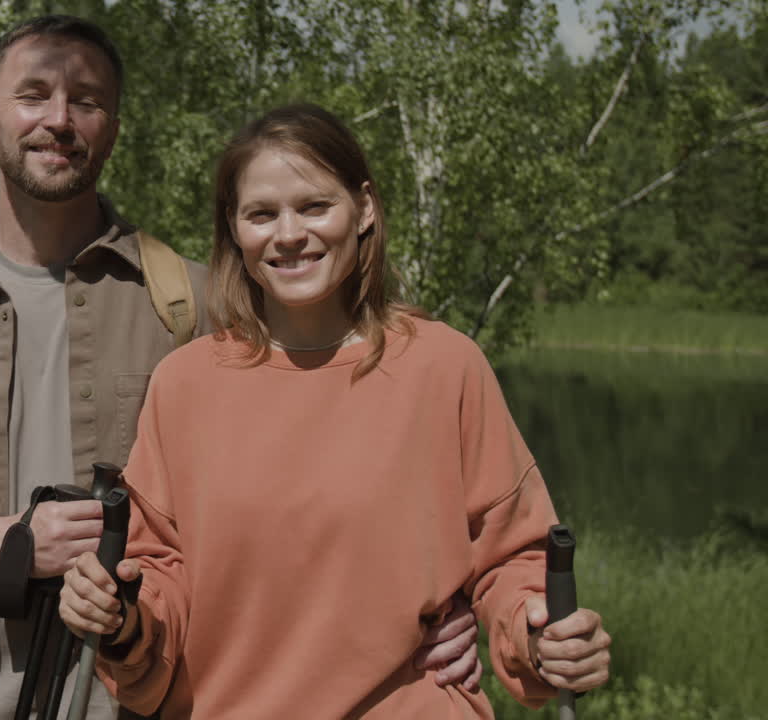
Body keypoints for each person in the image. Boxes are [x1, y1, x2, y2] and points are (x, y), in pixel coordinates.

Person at [0, 16, 482, 720]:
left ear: (113, 130)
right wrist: (7, 541)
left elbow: (341, 481)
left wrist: (449, 599)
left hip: (145, 699)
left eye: (86, 100)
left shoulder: (200, 305)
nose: (59, 119)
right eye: (33, 95)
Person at [58, 103, 613, 718]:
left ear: (364, 208)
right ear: (234, 228)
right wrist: (119, 615)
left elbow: (512, 557)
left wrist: (539, 633)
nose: (289, 234)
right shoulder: (184, 384)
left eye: (314, 206)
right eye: (262, 214)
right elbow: (156, 574)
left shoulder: (445, 366)